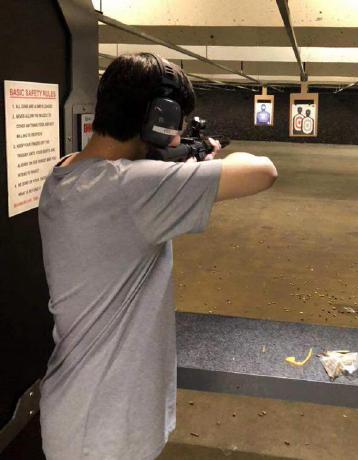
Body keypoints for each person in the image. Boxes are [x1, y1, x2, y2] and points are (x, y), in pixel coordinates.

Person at [38, 52, 277, 460]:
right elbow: (263, 170)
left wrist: (177, 157)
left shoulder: (65, 172)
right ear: (158, 117)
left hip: (81, 414)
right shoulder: (130, 189)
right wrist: (198, 157)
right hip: (106, 431)